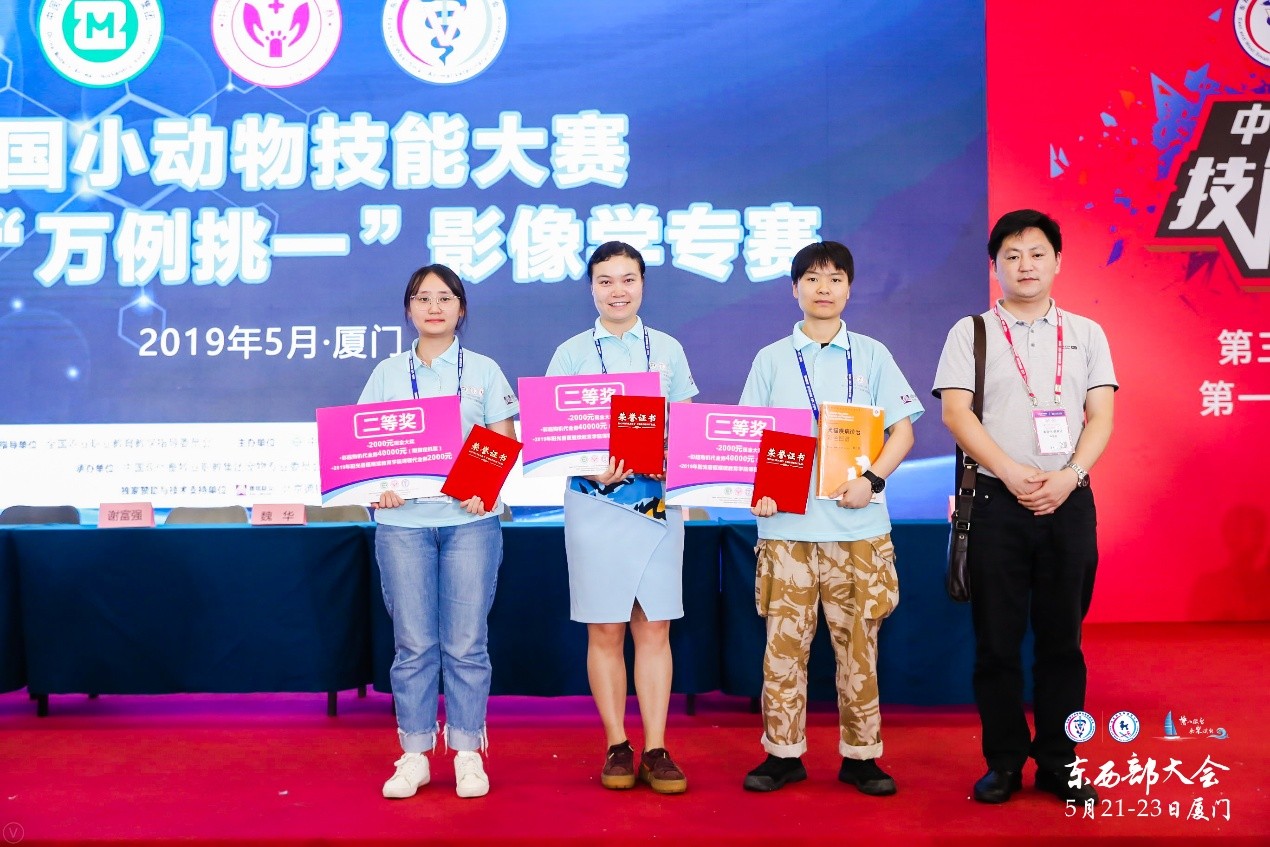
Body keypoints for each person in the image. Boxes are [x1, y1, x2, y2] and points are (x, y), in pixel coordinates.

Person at [932, 209, 1116, 805]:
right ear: (995, 267)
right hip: (995, 501)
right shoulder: (971, 333)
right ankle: (1005, 761)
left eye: (1037, 253)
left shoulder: (1087, 333)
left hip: (1069, 501)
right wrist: (1011, 472)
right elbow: (956, 413)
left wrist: (1070, 476)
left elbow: (1101, 416)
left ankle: (1061, 762)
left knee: (1064, 642)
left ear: (1058, 261)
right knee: (997, 643)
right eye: (1011, 256)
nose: (1025, 265)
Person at [739, 241, 923, 795]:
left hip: (859, 531)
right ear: (794, 288)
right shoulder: (771, 358)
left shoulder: (872, 354)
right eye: (813, 278)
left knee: (860, 650)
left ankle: (862, 756)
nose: (824, 288)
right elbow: (748, 439)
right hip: (787, 531)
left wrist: (872, 481)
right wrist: (759, 492)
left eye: (836, 278)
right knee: (783, 652)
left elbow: (903, 432)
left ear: (850, 288)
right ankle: (782, 754)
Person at [359, 264, 519, 801]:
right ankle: (415, 753)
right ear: (409, 309)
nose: (434, 307)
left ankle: (468, 750)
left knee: (467, 643)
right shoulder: (386, 373)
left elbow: (501, 439)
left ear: (461, 308)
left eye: (445, 297)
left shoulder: (484, 370)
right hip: (402, 523)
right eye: (423, 298)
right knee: (413, 644)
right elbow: (362, 446)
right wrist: (379, 487)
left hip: (470, 522)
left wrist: (485, 487)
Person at [546, 241, 698, 795]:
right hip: (593, 504)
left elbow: (687, 428)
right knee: (606, 626)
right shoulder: (570, 354)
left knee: (654, 625)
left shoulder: (668, 349)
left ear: (643, 285)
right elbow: (553, 437)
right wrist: (591, 466)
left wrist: (667, 454)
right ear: (592, 288)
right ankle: (616, 743)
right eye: (606, 280)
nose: (618, 290)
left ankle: (656, 748)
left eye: (628, 279)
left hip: (657, 503)